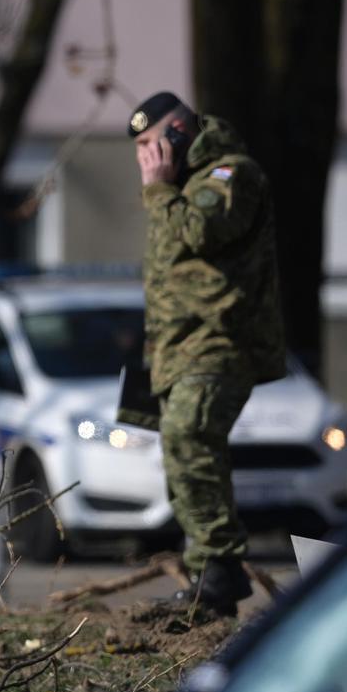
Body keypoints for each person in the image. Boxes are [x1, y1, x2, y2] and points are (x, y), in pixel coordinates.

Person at [128, 91, 287, 618]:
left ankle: (219, 570)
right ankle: (206, 578)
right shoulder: (178, 189)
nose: (148, 159)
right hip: (176, 348)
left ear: (178, 131)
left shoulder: (229, 175)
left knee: (189, 434)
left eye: (153, 143)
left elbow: (200, 230)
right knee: (180, 452)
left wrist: (158, 193)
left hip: (220, 342)